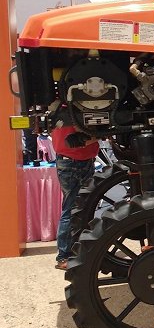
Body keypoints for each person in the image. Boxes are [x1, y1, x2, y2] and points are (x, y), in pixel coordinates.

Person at [51, 115, 99, 270]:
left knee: (76, 207)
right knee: (71, 209)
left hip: (75, 161)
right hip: (74, 162)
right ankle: (64, 255)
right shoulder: (71, 112)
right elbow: (79, 139)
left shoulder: (61, 111)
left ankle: (72, 252)